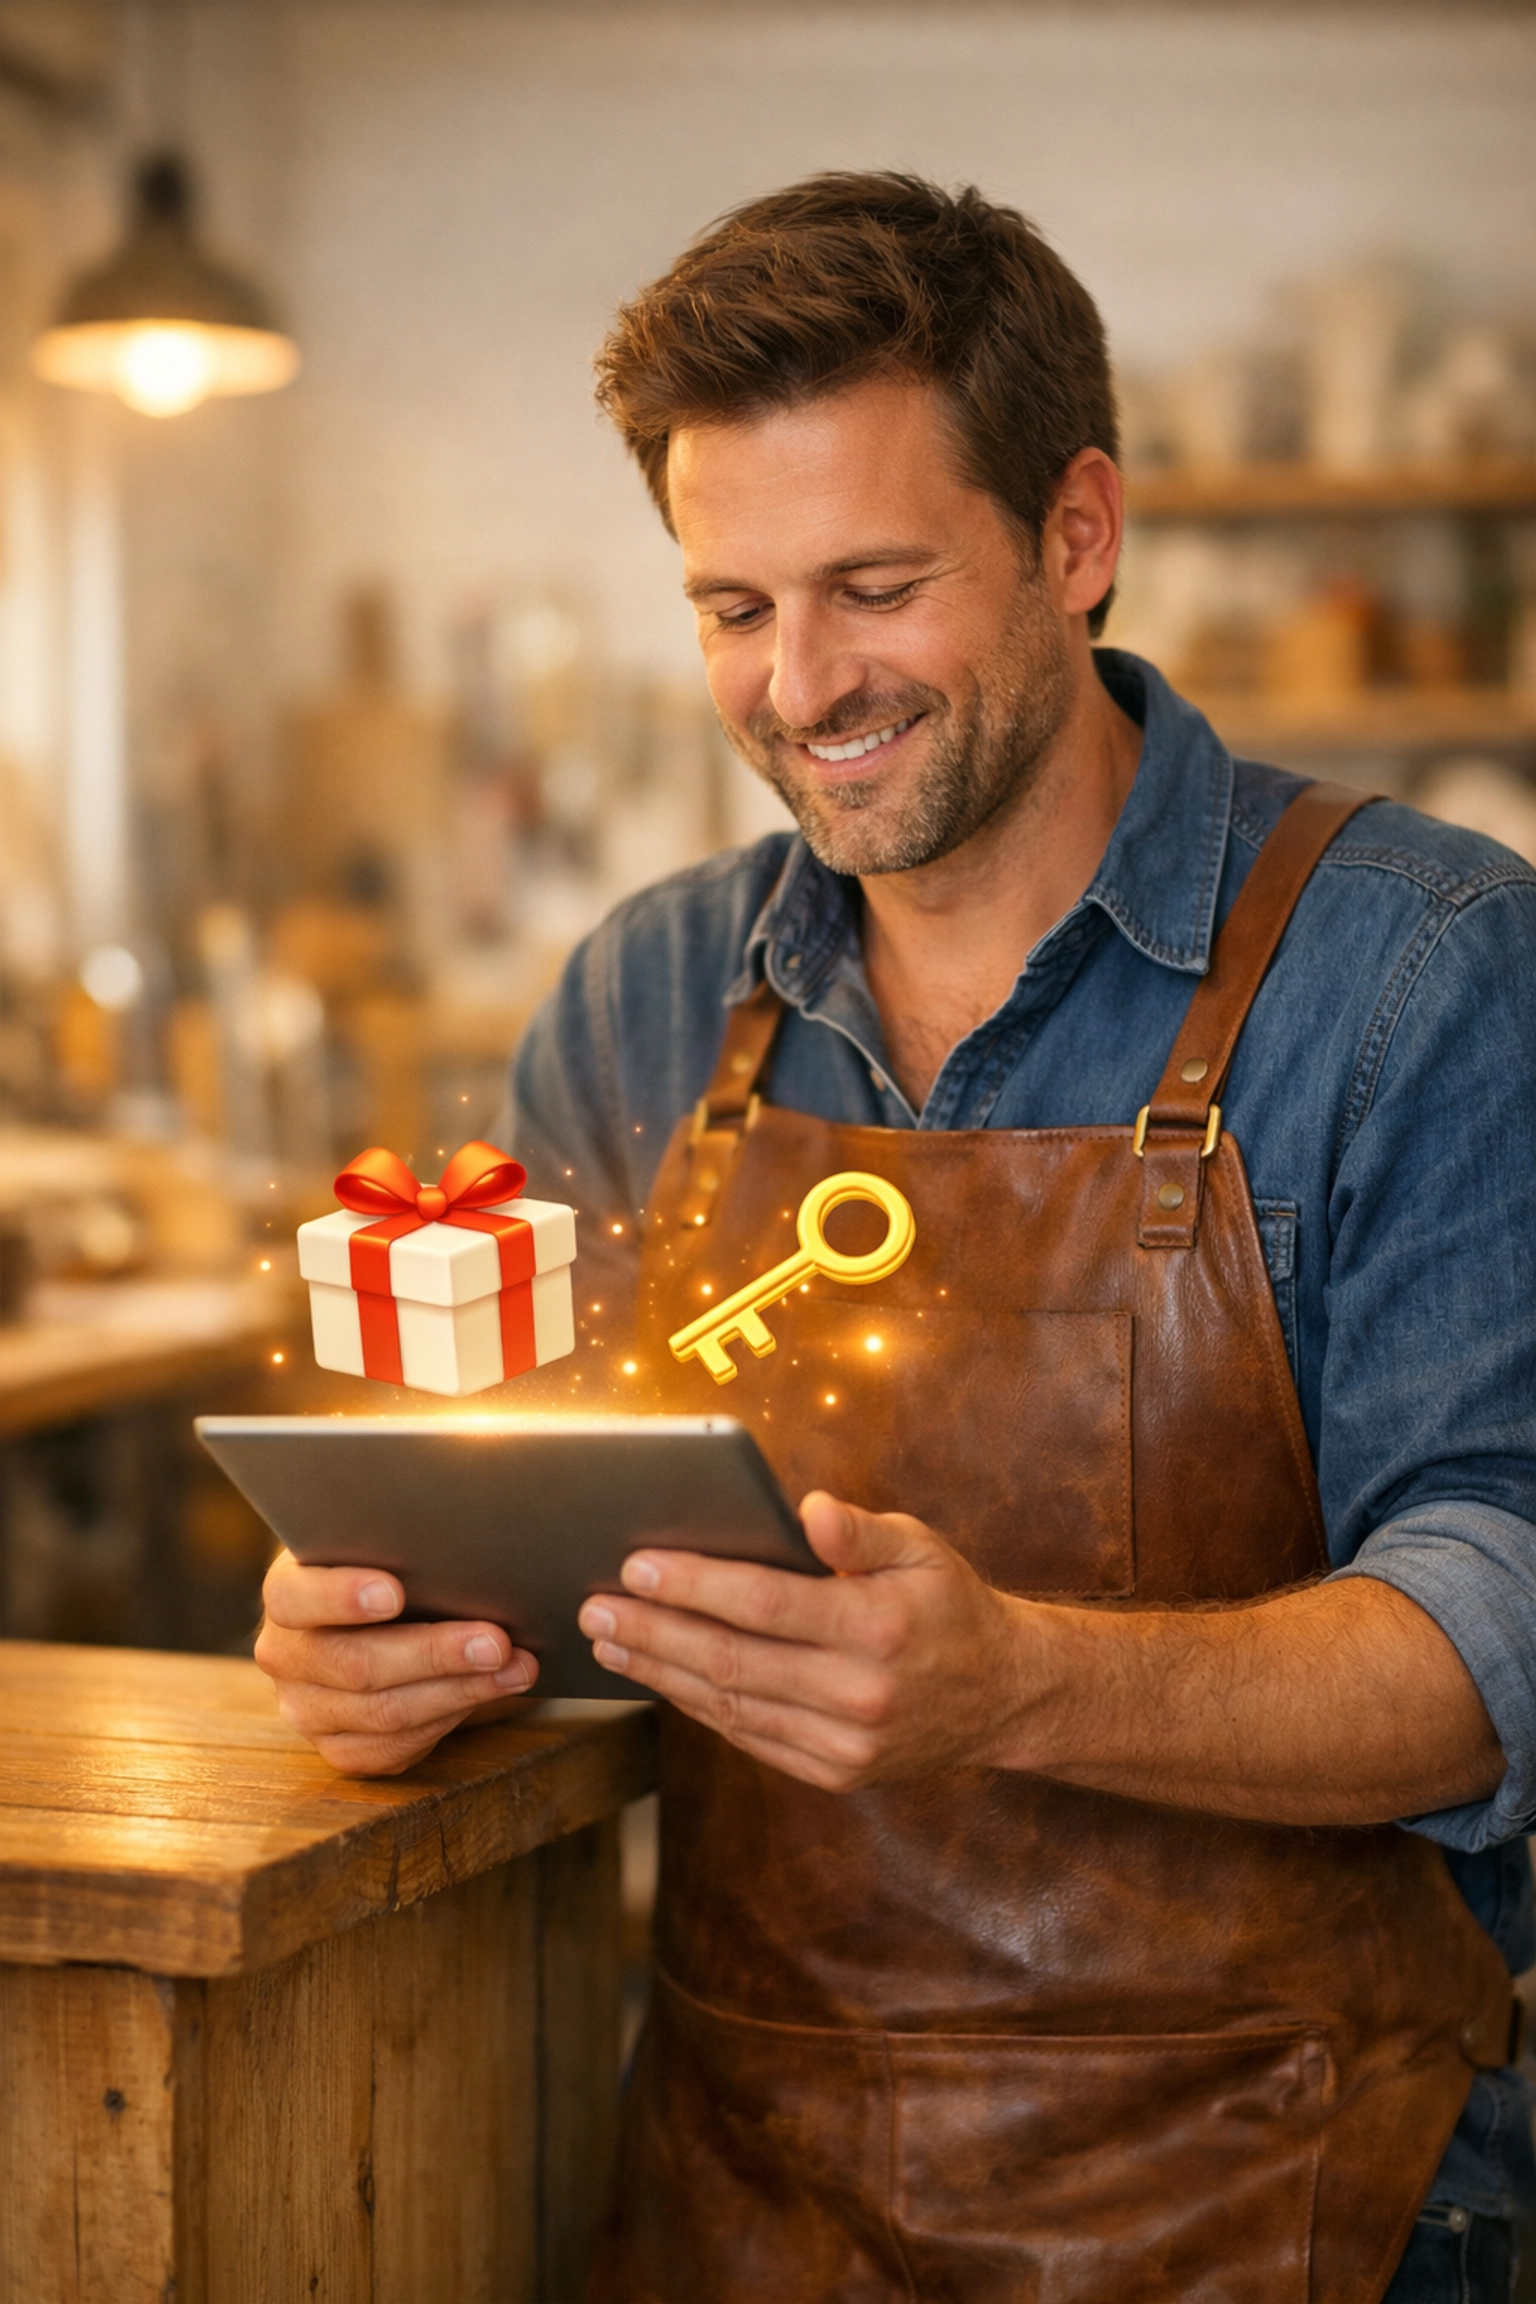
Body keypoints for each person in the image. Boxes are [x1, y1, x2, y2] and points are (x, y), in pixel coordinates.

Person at [256, 175, 1536, 2301]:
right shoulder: (648, 995)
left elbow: (1500, 1635)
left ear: (1077, 534)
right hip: (744, 2199)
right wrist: (399, 1645)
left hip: (1291, 2195)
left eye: (873, 586)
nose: (802, 685)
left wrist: (1017, 1684)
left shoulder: (1424, 971)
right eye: (732, 607)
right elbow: (543, 1544)